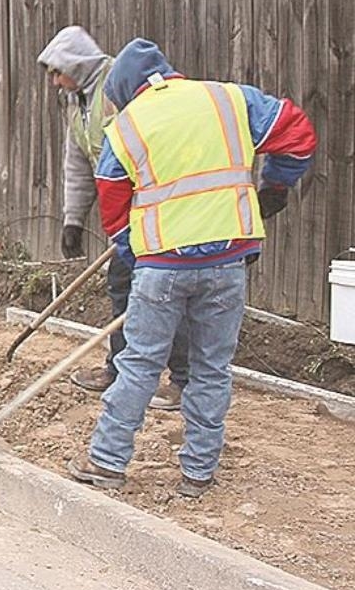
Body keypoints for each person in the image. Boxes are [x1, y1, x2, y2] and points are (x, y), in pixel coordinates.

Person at [69, 39, 315, 497]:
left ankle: (106, 462)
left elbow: (112, 201)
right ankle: (198, 473)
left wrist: (131, 252)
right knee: (211, 369)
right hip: (227, 261)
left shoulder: (125, 127)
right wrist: (276, 187)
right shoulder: (229, 99)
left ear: (125, 90)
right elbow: (297, 135)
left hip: (162, 266)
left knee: (139, 364)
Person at [37, 26, 189, 410]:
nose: (56, 82)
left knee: (167, 291)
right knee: (122, 287)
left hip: (155, 210)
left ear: (75, 63)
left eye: (58, 72)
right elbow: (78, 164)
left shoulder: (119, 86)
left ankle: (183, 380)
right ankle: (119, 369)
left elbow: (149, 146)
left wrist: (143, 210)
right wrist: (73, 220)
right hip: (124, 214)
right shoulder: (79, 103)